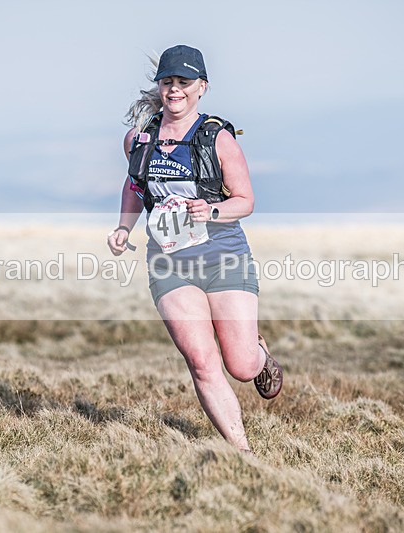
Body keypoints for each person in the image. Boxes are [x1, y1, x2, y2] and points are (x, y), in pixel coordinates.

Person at [107, 44, 282, 453]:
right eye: (167, 81)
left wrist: (213, 209)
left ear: (201, 87)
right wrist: (122, 227)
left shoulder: (218, 139)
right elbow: (135, 185)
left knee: (240, 365)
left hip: (224, 256)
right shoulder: (139, 139)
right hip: (169, 263)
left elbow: (246, 201)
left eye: (184, 82)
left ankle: (258, 352)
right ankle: (243, 453)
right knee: (202, 361)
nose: (174, 90)